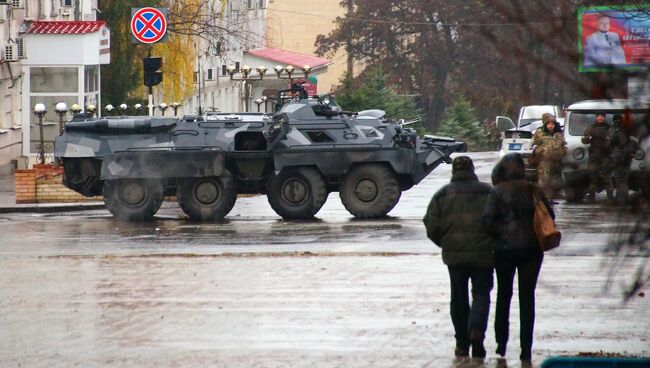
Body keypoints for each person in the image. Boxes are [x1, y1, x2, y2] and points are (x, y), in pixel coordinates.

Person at [483, 153, 553, 362]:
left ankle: (501, 343)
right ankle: (526, 348)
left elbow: (487, 222)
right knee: (527, 298)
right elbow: (550, 216)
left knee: (503, 295)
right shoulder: (534, 190)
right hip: (532, 251)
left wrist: (502, 232)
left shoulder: (497, 192)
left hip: (504, 250)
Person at [423, 156, 495, 358]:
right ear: (472, 169)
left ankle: (462, 344)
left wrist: (446, 244)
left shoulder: (442, 194)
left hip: (454, 257)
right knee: (481, 294)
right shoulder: (488, 192)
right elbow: (499, 221)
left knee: (458, 298)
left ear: (453, 171)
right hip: (484, 256)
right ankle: (477, 332)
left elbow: (431, 226)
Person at [532, 114, 567, 199]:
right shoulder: (540, 132)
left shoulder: (558, 134)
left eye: (552, 124)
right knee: (544, 180)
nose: (550, 126)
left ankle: (550, 198)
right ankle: (543, 198)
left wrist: (562, 152)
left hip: (556, 161)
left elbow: (563, 144)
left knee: (553, 181)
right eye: (548, 124)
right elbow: (534, 145)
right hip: (544, 161)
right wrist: (541, 151)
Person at [582, 112, 614, 202]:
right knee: (593, 177)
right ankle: (591, 198)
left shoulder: (609, 128)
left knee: (607, 177)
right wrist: (588, 137)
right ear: (596, 118)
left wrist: (608, 140)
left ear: (604, 118)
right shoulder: (591, 127)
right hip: (594, 156)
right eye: (598, 116)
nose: (600, 118)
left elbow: (614, 140)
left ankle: (610, 198)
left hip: (605, 156)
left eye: (601, 116)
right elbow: (584, 140)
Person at [610, 114, 638, 204]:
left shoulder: (616, 131)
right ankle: (622, 199)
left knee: (619, 181)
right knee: (623, 181)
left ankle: (621, 199)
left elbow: (611, 143)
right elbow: (635, 144)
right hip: (624, 160)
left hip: (620, 160)